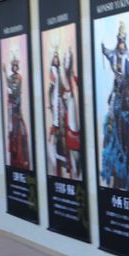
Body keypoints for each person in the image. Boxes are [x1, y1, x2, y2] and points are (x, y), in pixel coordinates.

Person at [100, 21, 129, 189]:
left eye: (123, 42)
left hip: (128, 97)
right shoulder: (114, 55)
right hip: (116, 95)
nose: (121, 45)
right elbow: (107, 52)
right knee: (110, 119)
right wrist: (103, 47)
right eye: (120, 42)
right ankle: (110, 155)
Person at [46, 43, 80, 179]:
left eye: (57, 58)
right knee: (59, 127)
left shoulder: (62, 71)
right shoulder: (53, 73)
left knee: (68, 120)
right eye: (54, 58)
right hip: (57, 103)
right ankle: (61, 154)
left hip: (64, 100)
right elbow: (52, 90)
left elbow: (68, 81)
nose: (56, 60)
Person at [5, 50, 31, 169]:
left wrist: (15, 104)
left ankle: (22, 159)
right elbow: (9, 89)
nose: (15, 67)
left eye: (16, 66)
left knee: (20, 131)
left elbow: (16, 92)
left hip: (16, 106)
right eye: (13, 66)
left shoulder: (19, 77)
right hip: (11, 106)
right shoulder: (10, 77)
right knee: (11, 129)